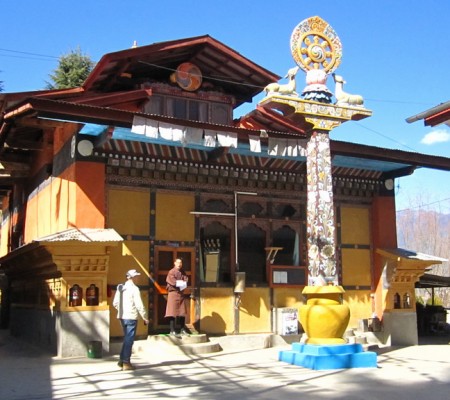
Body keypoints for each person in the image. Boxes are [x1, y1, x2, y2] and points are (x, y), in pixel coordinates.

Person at [113, 269, 149, 370]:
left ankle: (122, 360)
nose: (138, 278)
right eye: (136, 276)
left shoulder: (120, 287)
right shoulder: (134, 289)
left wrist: (121, 310)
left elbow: (115, 303)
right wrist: (145, 317)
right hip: (131, 317)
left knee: (127, 338)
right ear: (132, 278)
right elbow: (139, 305)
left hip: (122, 316)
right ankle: (126, 362)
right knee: (129, 340)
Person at [165, 258, 189, 337]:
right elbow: (172, 282)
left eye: (180, 263)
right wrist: (181, 283)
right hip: (173, 293)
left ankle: (182, 329)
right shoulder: (171, 272)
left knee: (182, 312)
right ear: (174, 263)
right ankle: (172, 330)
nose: (179, 264)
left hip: (181, 293)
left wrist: (182, 283)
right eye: (178, 262)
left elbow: (186, 280)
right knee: (172, 312)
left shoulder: (183, 272)